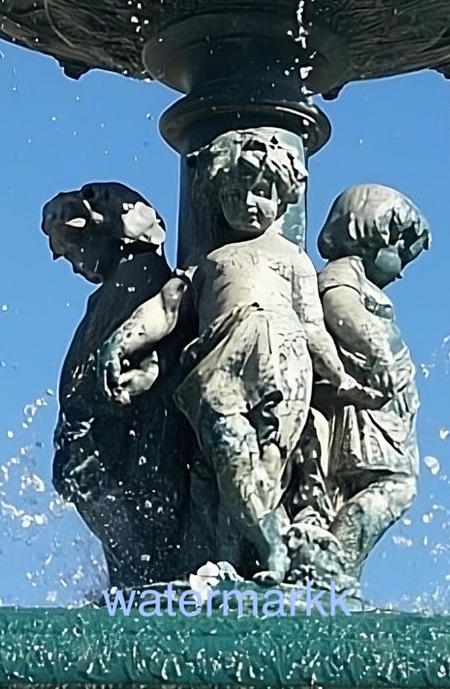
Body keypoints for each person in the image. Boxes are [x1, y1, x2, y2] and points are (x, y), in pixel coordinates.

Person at [99, 131, 381, 581]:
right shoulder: (210, 260)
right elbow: (167, 307)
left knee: (270, 460)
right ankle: (272, 544)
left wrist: (341, 379)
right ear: (216, 194)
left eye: (263, 192)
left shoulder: (294, 260)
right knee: (229, 450)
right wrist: (123, 340)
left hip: (283, 357)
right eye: (234, 193)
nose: (249, 202)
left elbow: (312, 328)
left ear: (285, 196)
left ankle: (240, 561)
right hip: (217, 363)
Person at [43, 183, 192, 586]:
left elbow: (158, 341)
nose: (67, 260)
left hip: (121, 430)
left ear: (105, 233)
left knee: (135, 526)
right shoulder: (115, 285)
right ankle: (134, 578)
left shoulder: (140, 274)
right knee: (113, 517)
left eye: (72, 247)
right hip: (96, 430)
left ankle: (141, 579)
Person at [302, 184, 428, 580]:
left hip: (381, 407)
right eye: (400, 251)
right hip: (365, 410)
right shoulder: (343, 273)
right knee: (395, 485)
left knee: (353, 491)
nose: (403, 270)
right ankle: (334, 564)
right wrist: (378, 351)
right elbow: (339, 308)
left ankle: (332, 561)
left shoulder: (360, 278)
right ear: (369, 232)